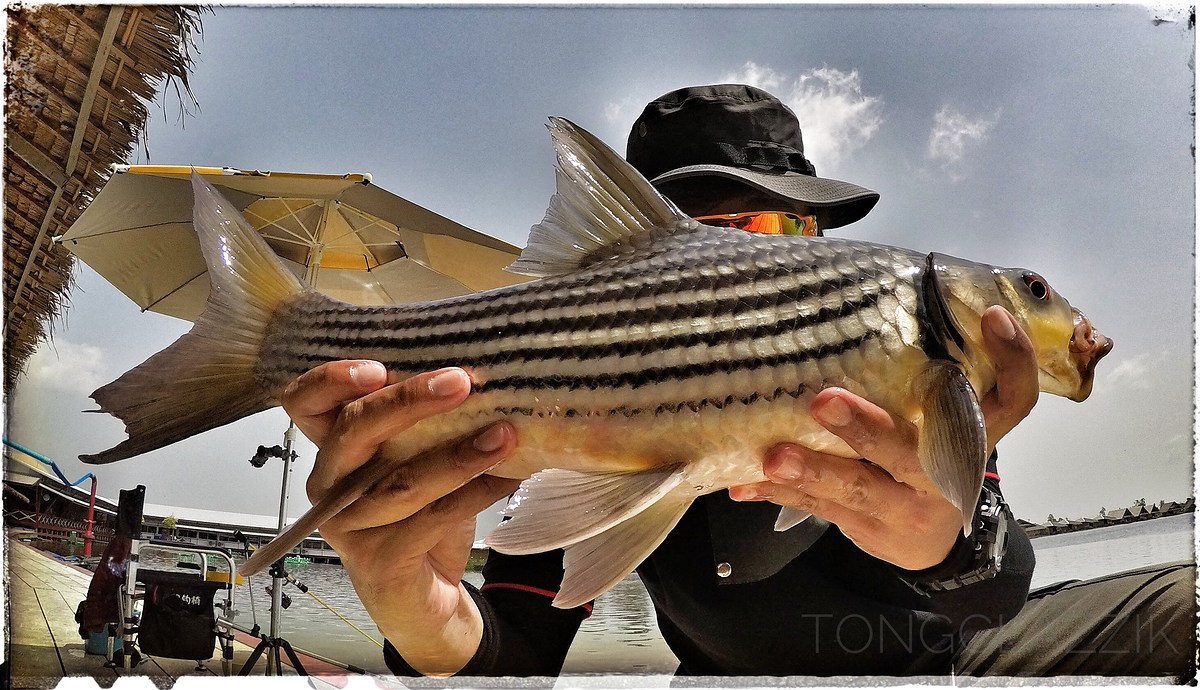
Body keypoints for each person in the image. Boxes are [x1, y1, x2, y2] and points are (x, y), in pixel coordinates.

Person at [289, 85, 1196, 679]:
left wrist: (942, 544)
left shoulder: (906, 370)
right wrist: (417, 610)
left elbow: (1000, 593)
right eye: (699, 225)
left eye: (779, 224)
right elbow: (519, 647)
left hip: (948, 665)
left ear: (818, 241)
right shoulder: (568, 413)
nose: (745, 255)